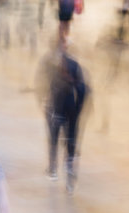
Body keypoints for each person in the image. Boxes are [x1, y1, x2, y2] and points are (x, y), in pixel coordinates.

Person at [36, 29, 89, 194]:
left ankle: (53, 169)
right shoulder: (74, 64)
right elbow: (83, 89)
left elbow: (41, 85)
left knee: (53, 139)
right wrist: (78, 109)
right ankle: (70, 181)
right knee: (70, 143)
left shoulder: (47, 63)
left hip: (54, 109)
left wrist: (43, 103)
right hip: (70, 110)